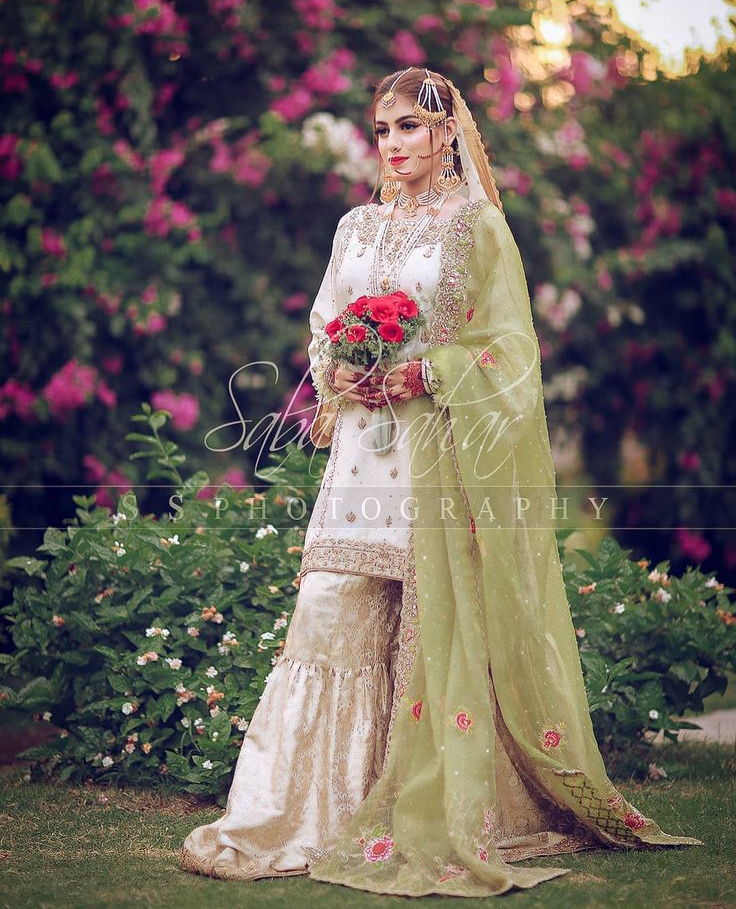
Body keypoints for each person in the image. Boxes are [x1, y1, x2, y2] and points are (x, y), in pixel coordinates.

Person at [179, 67, 702, 897]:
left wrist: (427, 373)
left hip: (439, 456)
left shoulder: (478, 226)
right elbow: (324, 322)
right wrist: (339, 373)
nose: (395, 144)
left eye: (411, 128)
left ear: (448, 132)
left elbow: (510, 351)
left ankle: (413, 808)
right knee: (328, 611)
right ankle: (295, 812)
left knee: (426, 628)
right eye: (383, 129)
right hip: (359, 455)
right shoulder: (355, 226)